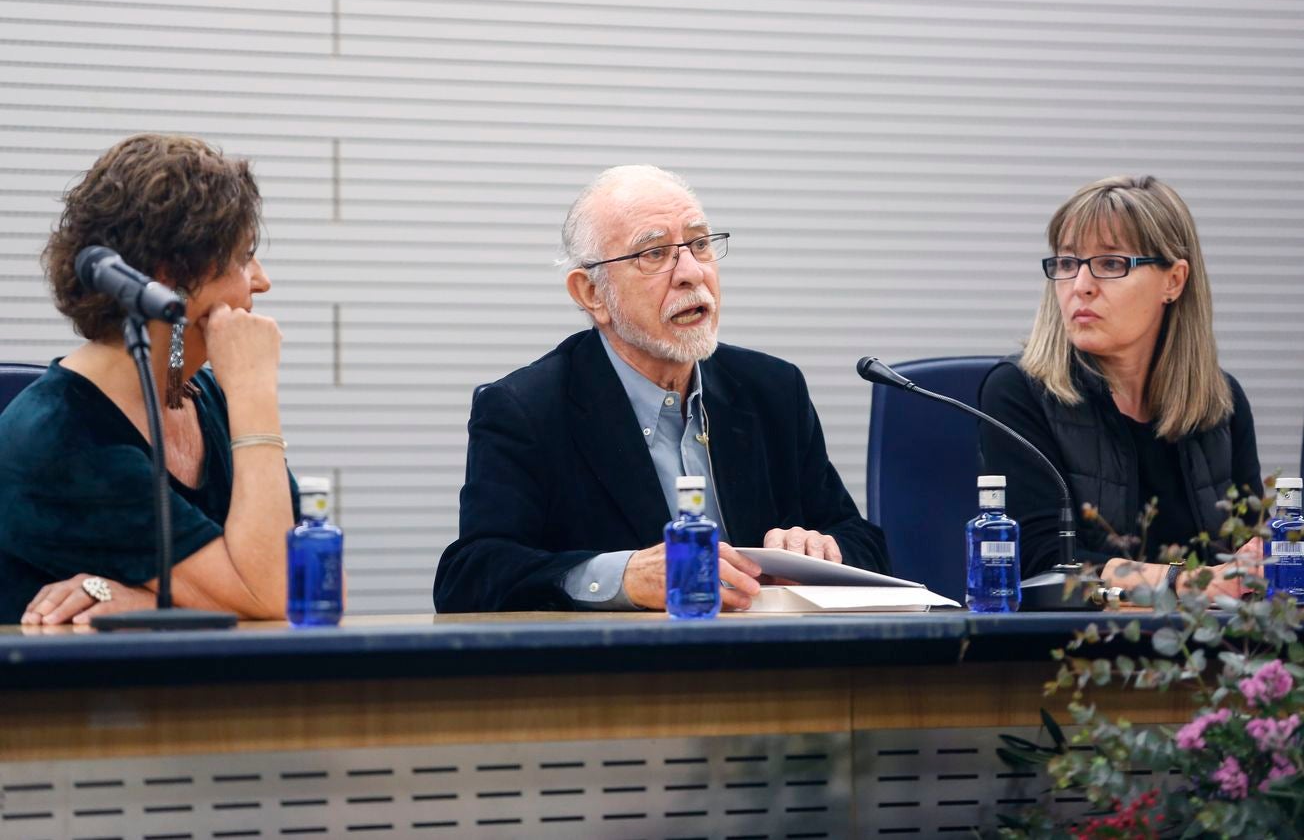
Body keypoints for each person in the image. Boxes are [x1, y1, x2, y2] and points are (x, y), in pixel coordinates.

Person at [435, 164, 889, 613]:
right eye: (654, 254)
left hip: (772, 671)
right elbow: (473, 574)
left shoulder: (772, 389)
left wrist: (822, 553)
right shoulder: (526, 409)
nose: (691, 272)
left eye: (700, 244)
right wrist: (623, 577)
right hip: (626, 677)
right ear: (592, 294)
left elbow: (863, 541)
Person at [0, 133, 298, 625]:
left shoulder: (202, 397)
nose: (261, 280)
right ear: (169, 278)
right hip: (71, 700)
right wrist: (254, 392)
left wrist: (146, 603)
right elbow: (278, 593)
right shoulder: (61, 439)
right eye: (245, 256)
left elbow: (318, 583)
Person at [978, 175, 1263, 599]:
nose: (1081, 286)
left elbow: (1247, 552)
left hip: (1205, 652)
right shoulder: (1019, 392)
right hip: (1070, 655)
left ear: (1174, 281)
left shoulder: (1221, 403)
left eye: (1111, 264)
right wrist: (1183, 584)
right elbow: (1040, 560)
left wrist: (1262, 560)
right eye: (1068, 263)